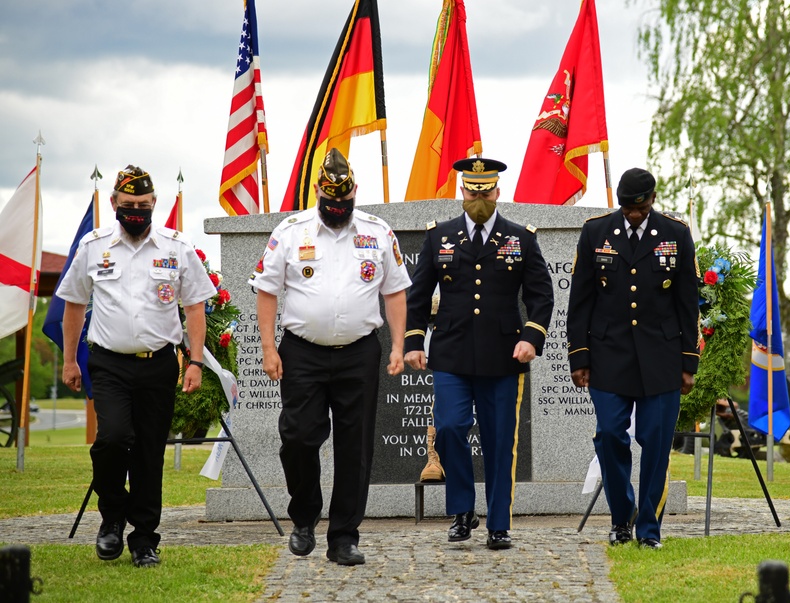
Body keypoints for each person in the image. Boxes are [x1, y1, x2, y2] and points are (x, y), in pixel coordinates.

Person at [251, 149, 410, 566]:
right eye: (330, 202)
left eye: (344, 203)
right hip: (302, 352)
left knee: (355, 447)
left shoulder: (377, 232)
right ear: (318, 191)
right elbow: (266, 290)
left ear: (355, 193)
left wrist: (397, 345)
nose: (336, 209)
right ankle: (305, 515)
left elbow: (394, 290)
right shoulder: (290, 230)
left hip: (359, 351)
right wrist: (268, 348)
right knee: (298, 437)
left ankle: (344, 536)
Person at [59, 165, 217, 567]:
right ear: (113, 203)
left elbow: (195, 305)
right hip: (108, 363)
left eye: (143, 205)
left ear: (154, 205)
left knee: (149, 454)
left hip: (159, 365)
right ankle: (112, 517)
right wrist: (68, 360)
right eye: (128, 205)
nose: (136, 211)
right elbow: (75, 304)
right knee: (111, 438)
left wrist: (195, 360)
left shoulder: (175, 248)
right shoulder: (94, 247)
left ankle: (144, 539)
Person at [404, 158, 554, 550]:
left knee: (499, 440)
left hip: (503, 356)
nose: (479, 199)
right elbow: (418, 295)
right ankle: (462, 510)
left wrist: (531, 338)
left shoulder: (520, 238)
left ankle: (499, 524)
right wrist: (414, 342)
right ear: (462, 192)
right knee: (451, 428)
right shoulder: (441, 237)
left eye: (486, 192)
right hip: (451, 354)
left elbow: (541, 295)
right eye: (472, 192)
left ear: (497, 193)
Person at [566, 167, 700, 549]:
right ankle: (621, 517)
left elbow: (688, 302)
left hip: (662, 356)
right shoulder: (596, 232)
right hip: (610, 355)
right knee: (609, 435)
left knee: (656, 443)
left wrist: (688, 362)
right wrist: (579, 355)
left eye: (639, 209)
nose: (632, 215)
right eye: (626, 209)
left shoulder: (676, 234)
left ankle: (648, 530)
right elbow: (581, 302)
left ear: (652, 200)